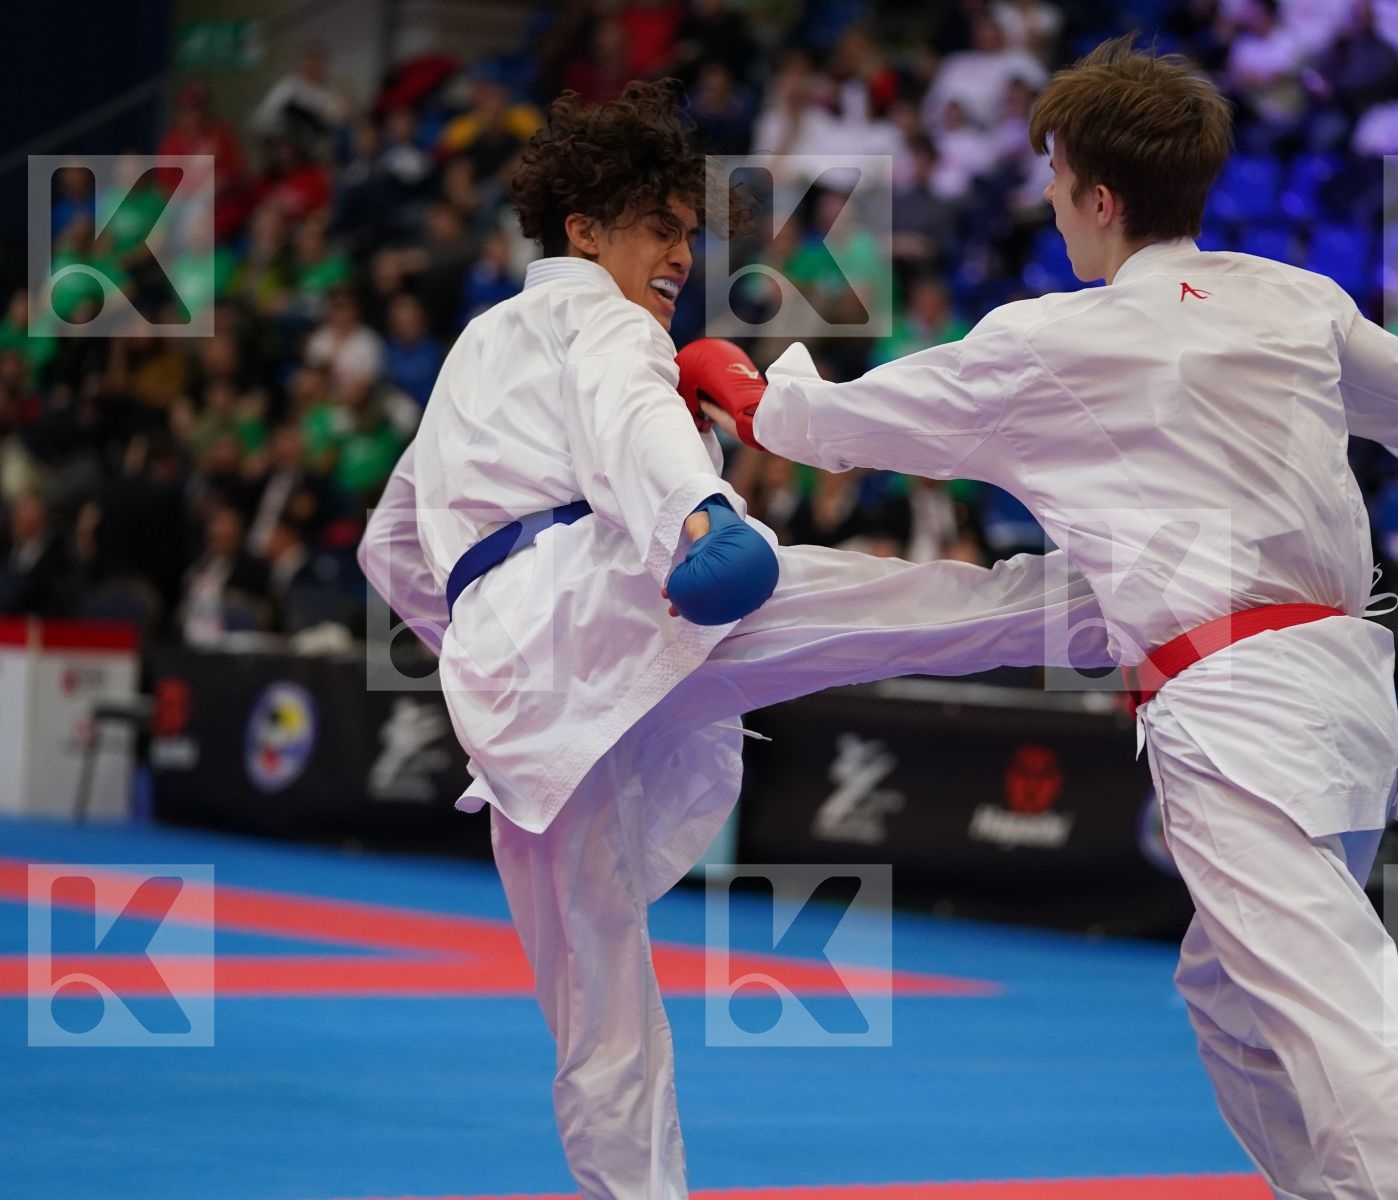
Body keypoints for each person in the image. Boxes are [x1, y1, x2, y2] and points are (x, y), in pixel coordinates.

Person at [702, 36, 1398, 1200]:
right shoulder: (1294, 298)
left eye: (1055, 176)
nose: (1041, 197)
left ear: (1100, 198)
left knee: (1340, 1019)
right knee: (1230, 1007)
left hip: (1236, 707)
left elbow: (834, 428)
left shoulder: (1052, 340)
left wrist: (737, 384)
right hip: (1340, 691)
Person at [357, 81, 1100, 1200]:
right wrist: (699, 516)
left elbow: (388, 547)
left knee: (597, 1010)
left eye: (687, 236)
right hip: (620, 596)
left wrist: (477, 645)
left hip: (516, 683)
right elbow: (629, 419)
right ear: (583, 228)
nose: (675, 256)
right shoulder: (602, 324)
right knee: (907, 611)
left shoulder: (476, 346)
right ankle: (1137, 603)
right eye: (658, 227)